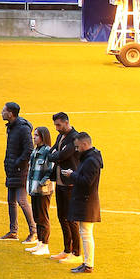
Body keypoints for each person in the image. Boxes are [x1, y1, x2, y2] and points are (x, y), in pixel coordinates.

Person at [63, 131, 102, 273]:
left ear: (85, 144)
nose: (77, 150)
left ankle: (88, 265)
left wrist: (72, 175)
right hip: (86, 201)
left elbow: (87, 182)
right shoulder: (91, 158)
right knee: (85, 233)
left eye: (78, 147)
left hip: (87, 202)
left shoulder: (91, 160)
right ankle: (87, 263)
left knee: (86, 234)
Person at [0, 102, 34, 243]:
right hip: (12, 169)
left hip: (20, 170)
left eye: (4, 110)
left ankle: (34, 231)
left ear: (11, 113)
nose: (1, 112)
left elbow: (29, 150)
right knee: (11, 201)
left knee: (22, 201)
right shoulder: (12, 127)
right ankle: (13, 231)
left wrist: (18, 163)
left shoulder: (22, 129)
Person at [49, 112, 82, 264]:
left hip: (70, 184)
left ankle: (76, 253)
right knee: (62, 217)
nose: (56, 128)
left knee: (71, 219)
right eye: (55, 125)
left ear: (67, 122)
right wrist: (55, 154)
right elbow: (52, 152)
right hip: (60, 182)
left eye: (59, 125)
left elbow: (61, 156)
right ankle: (66, 249)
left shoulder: (75, 138)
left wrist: (56, 154)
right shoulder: (60, 136)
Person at [25, 127, 55, 257]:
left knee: (43, 217)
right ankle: (39, 242)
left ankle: (45, 245)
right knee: (37, 216)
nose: (34, 137)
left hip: (43, 190)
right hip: (34, 189)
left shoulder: (48, 151)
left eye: (36, 135)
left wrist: (42, 182)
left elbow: (51, 170)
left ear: (43, 136)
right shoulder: (35, 150)